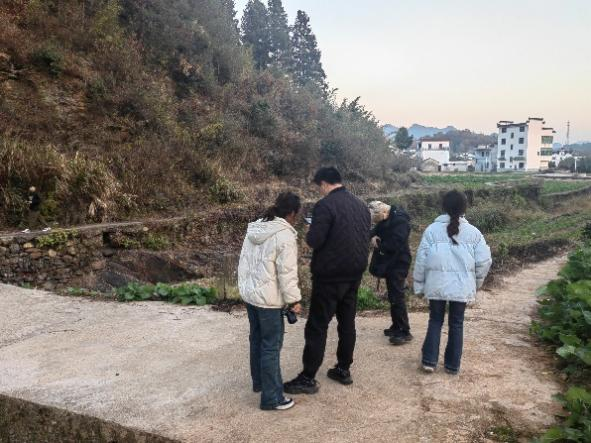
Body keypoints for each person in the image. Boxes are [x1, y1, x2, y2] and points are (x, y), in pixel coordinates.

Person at [284, 167, 371, 394]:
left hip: (330, 276)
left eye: (319, 187)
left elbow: (314, 240)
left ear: (323, 183)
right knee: (347, 322)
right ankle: (343, 369)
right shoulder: (361, 205)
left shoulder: (325, 206)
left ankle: (308, 377)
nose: (319, 191)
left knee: (317, 325)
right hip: (354, 274)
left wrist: (310, 228)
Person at [413, 190, 492, 375]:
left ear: (444, 207)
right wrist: (476, 283)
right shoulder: (474, 233)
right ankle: (452, 365)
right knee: (457, 323)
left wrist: (419, 285)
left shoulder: (431, 230)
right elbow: (484, 261)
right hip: (462, 287)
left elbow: (421, 260)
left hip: (436, 284)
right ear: (464, 208)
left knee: (435, 320)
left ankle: (429, 361)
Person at [238, 192, 303, 411]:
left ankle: (260, 383)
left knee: (257, 340)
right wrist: (293, 300)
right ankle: (272, 397)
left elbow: (245, 262)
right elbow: (287, 273)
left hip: (251, 296)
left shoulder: (256, 227)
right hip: (269, 301)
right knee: (271, 347)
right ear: (292, 213)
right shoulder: (285, 235)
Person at [368, 201, 413, 345]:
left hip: (399, 263)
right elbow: (373, 232)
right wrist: (371, 237)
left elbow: (395, 243)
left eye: (376, 219)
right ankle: (396, 325)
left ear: (383, 212)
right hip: (390, 263)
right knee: (393, 295)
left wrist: (379, 244)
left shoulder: (400, 222)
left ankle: (404, 331)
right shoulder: (387, 219)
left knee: (397, 296)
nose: (376, 223)